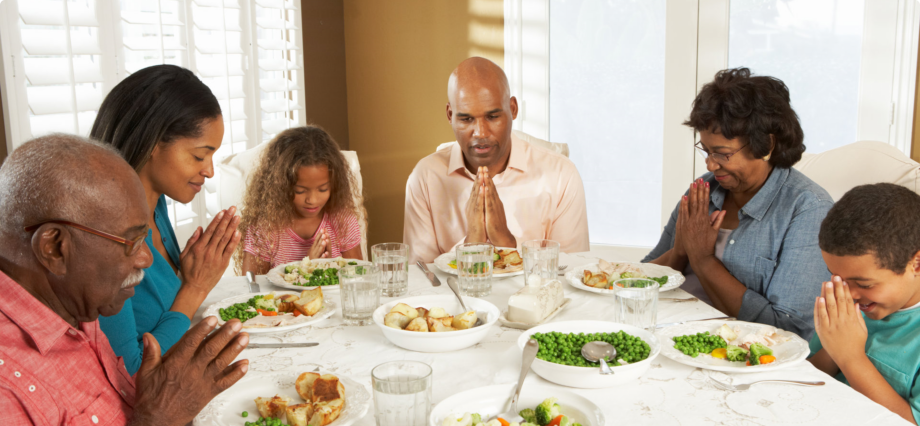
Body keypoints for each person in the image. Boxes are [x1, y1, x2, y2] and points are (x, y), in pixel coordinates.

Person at [0, 134, 249, 426]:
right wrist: (159, 420)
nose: (146, 258)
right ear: (55, 248)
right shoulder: (9, 390)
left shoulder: (79, 305)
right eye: (131, 241)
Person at [643, 68, 832, 339]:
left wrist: (703, 260)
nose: (709, 163)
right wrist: (681, 253)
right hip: (667, 331)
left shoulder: (808, 210)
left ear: (766, 145)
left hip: (736, 354)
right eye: (706, 151)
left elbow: (787, 331)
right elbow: (642, 278)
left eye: (722, 154)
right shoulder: (704, 190)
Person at [90, 64, 241, 374]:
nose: (209, 170)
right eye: (199, 156)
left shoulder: (155, 206)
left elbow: (169, 318)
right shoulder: (104, 237)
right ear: (152, 143)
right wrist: (195, 288)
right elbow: (131, 373)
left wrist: (189, 278)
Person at [404, 57, 589, 263]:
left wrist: (506, 242)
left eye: (492, 117)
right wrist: (472, 242)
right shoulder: (425, 177)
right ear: (450, 115)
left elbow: (571, 272)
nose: (480, 133)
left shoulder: (561, 175)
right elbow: (423, 279)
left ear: (513, 109)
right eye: (466, 119)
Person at [808, 183, 920, 425]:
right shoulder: (849, 306)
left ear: (916, 264)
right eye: (836, 278)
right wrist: (833, 347)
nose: (848, 294)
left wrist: (850, 357)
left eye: (865, 284)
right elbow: (808, 378)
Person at [235, 126, 363, 275]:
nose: (312, 200)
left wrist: (330, 265)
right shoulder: (265, 229)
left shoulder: (342, 221)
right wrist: (306, 267)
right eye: (300, 191)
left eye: (323, 189)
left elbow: (361, 277)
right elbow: (252, 287)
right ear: (280, 187)